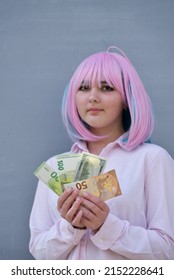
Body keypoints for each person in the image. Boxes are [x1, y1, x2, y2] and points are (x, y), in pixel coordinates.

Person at [29, 46, 174, 260]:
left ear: (126, 98)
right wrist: (71, 228)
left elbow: (168, 251)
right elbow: (38, 251)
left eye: (106, 88)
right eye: (84, 88)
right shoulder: (53, 166)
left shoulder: (152, 159)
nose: (93, 98)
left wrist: (106, 226)